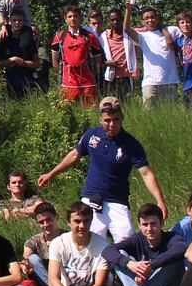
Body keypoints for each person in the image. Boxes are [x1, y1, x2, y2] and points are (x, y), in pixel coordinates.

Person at [38, 96, 168, 241]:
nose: (112, 124)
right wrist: (51, 174)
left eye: (116, 119)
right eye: (107, 120)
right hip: (91, 198)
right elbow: (74, 155)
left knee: (126, 239)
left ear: (122, 118)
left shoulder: (131, 144)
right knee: (91, 240)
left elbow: (146, 174)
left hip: (117, 200)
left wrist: (160, 201)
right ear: (100, 120)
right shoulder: (92, 135)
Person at [41, 202, 126, 286]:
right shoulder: (58, 243)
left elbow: (99, 285)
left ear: (91, 222)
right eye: (77, 221)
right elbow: (53, 279)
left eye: (86, 221)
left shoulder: (103, 245)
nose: (82, 226)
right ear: (69, 223)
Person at [103, 204, 186, 286]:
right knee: (120, 254)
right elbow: (107, 251)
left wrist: (150, 266)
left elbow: (181, 248)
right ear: (139, 226)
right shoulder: (136, 239)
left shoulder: (171, 238)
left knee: (175, 259)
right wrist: (130, 264)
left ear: (162, 223)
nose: (149, 229)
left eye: (153, 224)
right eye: (145, 225)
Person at [122, 0, 181, 108]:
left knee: (172, 115)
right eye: (147, 18)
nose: (150, 20)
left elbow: (188, 31)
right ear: (142, 22)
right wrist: (128, 9)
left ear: (157, 19)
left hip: (170, 81)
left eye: (153, 17)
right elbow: (126, 30)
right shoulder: (143, 37)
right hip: (150, 83)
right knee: (150, 115)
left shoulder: (172, 31)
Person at [50, 5, 104, 107]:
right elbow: (55, 61)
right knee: (68, 111)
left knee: (91, 110)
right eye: (69, 16)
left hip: (87, 80)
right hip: (68, 81)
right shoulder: (59, 37)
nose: (73, 19)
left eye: (75, 16)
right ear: (65, 19)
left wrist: (95, 74)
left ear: (80, 18)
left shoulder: (89, 36)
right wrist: (63, 72)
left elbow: (98, 61)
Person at [0, 9, 41, 99]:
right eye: (14, 20)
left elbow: (37, 64)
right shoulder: (3, 38)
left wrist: (23, 62)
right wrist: (13, 60)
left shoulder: (28, 40)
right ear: (9, 21)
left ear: (24, 21)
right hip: (8, 81)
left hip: (27, 81)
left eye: (20, 20)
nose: (17, 23)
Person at [19, 202, 65, 286]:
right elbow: (24, 261)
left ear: (57, 217)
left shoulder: (68, 237)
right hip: (46, 279)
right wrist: (25, 266)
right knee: (32, 259)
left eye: (49, 220)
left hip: (67, 277)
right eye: (41, 222)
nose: (46, 225)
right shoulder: (33, 242)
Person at [98, 8, 139, 99]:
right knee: (111, 103)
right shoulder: (103, 38)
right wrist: (107, 63)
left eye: (118, 19)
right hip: (110, 76)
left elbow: (149, 28)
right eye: (112, 20)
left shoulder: (130, 35)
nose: (115, 22)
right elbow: (97, 58)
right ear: (109, 21)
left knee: (127, 103)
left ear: (122, 20)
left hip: (126, 76)